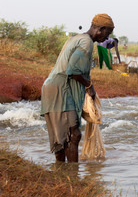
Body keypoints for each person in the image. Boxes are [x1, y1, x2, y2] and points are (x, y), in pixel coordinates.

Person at [41, 13, 115, 163]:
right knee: (73, 134)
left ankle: (62, 174)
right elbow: (73, 70)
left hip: (52, 87)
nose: (107, 38)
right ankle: (73, 176)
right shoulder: (86, 43)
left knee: (62, 138)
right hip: (60, 89)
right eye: (107, 33)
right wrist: (89, 86)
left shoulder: (76, 38)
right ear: (100, 29)